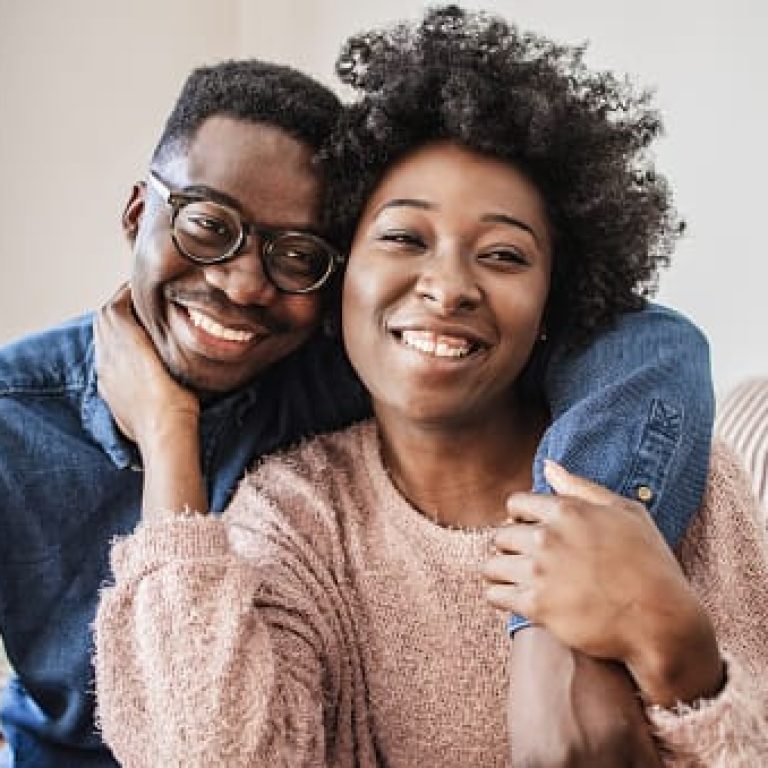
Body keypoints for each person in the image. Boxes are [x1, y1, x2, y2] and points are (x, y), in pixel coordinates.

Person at [0, 48, 715, 768]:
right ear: (136, 213)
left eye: (298, 255)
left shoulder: (352, 366)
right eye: (208, 226)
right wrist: (167, 434)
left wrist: (555, 624)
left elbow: (652, 345)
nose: (246, 283)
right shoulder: (12, 420)